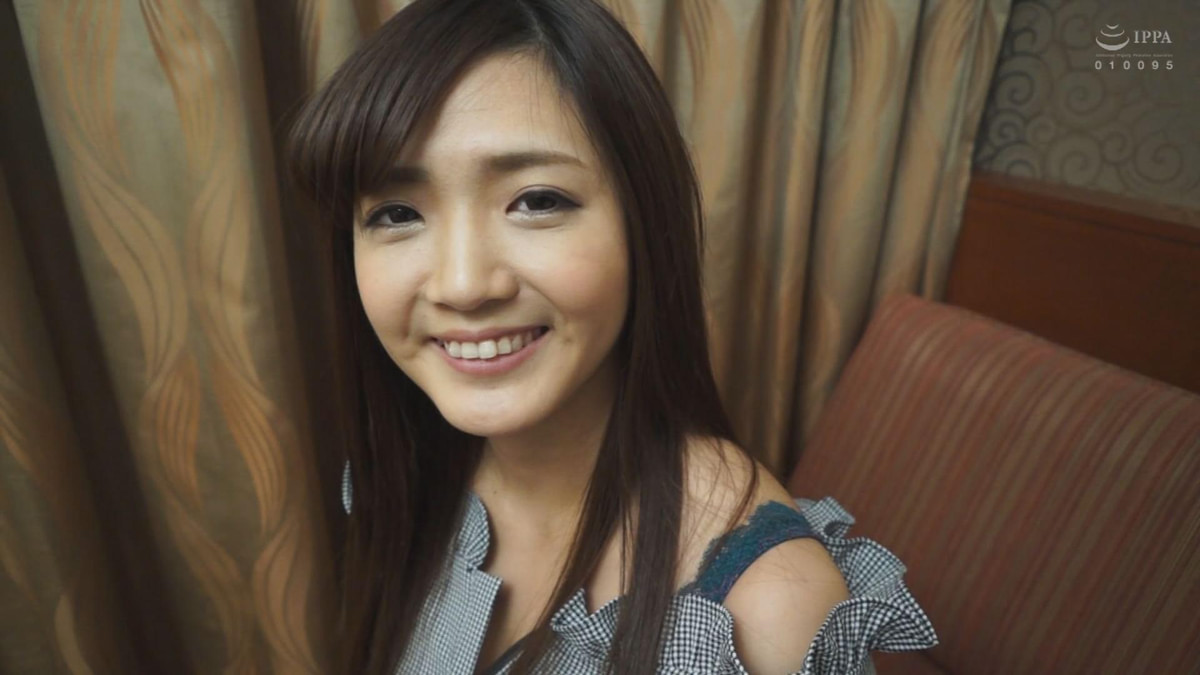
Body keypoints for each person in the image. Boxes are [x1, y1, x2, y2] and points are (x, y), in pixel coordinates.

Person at [285, 0, 936, 673]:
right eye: (397, 213)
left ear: (642, 224)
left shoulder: (769, 611)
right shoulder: (411, 469)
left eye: (537, 200)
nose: (463, 284)